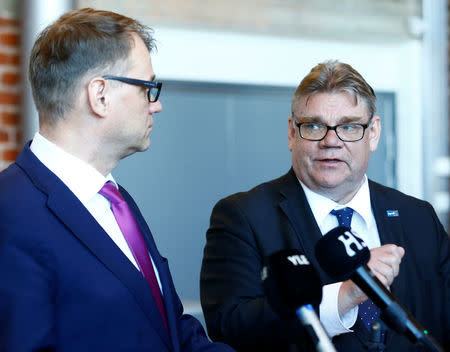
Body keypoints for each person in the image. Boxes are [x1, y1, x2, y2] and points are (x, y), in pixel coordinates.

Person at [0, 8, 234, 352]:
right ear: (100, 96)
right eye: (147, 88)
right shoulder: (11, 213)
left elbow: (169, 328)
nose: (156, 105)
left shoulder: (115, 200)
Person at [200, 60, 449, 352]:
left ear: (373, 133)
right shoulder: (243, 217)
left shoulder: (417, 217)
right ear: (292, 132)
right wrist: (345, 294)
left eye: (349, 126)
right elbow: (230, 328)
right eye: (314, 125)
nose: (331, 141)